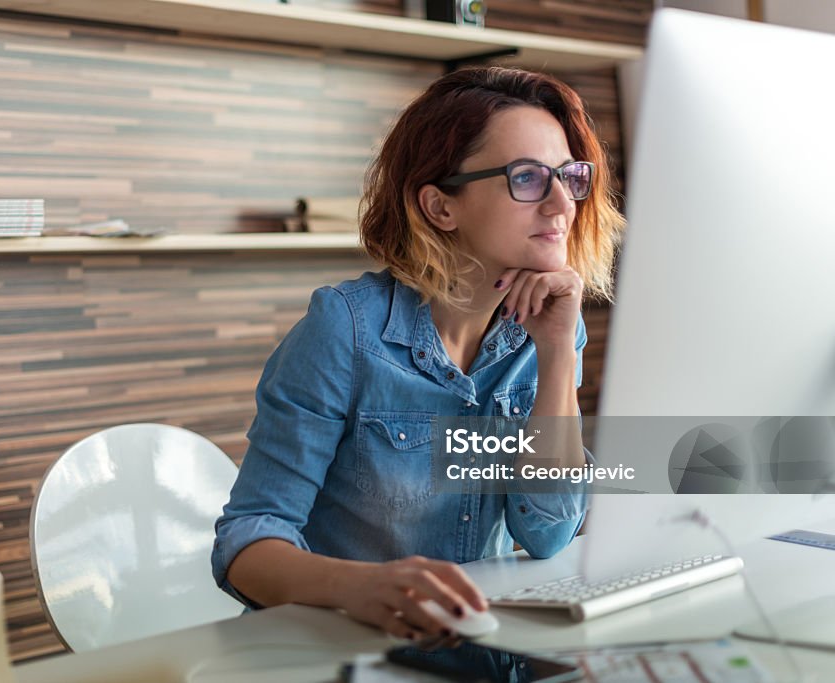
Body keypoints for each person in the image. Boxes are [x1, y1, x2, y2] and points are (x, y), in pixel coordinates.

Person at [211, 66, 624, 641]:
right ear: (439, 206)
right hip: (335, 652)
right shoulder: (346, 330)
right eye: (527, 178)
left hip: (473, 647)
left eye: (568, 176)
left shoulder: (549, 329)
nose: (561, 204)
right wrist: (358, 587)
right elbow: (247, 542)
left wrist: (556, 354)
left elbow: (549, 534)